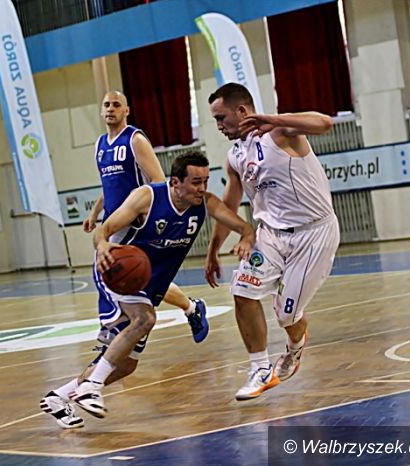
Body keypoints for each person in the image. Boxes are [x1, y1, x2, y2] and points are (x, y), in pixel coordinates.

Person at [41, 152, 255, 428]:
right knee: (145, 319)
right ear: (175, 182)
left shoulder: (206, 203)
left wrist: (245, 238)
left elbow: (244, 226)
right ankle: (91, 387)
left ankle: (59, 397)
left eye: (205, 181)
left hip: (150, 285)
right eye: (195, 182)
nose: (202, 188)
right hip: (116, 272)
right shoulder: (146, 197)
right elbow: (103, 230)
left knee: (126, 365)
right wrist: (102, 245)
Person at [205, 83, 340, 401]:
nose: (219, 126)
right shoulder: (235, 156)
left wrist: (274, 119)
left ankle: (295, 345)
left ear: (242, 111)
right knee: (242, 291)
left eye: (221, 118)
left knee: (286, 315)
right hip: (270, 236)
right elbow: (229, 205)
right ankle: (260, 369)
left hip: (313, 233)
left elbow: (325, 123)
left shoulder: (280, 132)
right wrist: (213, 249)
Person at [83, 91, 209, 344]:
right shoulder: (100, 145)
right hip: (114, 219)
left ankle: (112, 331)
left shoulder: (135, 139)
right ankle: (191, 307)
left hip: (137, 220)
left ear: (126, 110)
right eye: (106, 105)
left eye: (116, 105)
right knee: (136, 276)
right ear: (101, 110)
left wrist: (148, 213)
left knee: (110, 268)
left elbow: (159, 179)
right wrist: (95, 212)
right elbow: (109, 185)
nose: (111, 109)